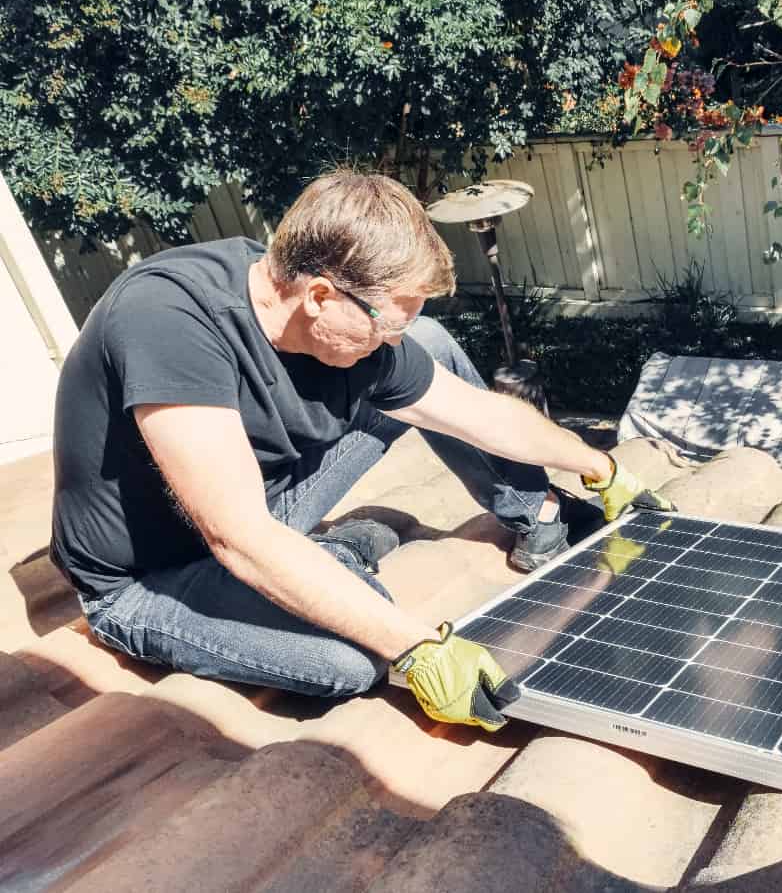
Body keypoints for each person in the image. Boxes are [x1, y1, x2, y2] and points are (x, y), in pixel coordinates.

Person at [49, 169, 673, 731]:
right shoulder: (171, 320)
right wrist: (419, 646)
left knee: (430, 346)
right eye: (387, 322)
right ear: (321, 295)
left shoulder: (356, 333)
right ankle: (329, 559)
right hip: (151, 576)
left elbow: (479, 414)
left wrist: (600, 466)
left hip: (266, 503)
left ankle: (538, 519)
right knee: (354, 658)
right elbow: (235, 535)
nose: (390, 342)